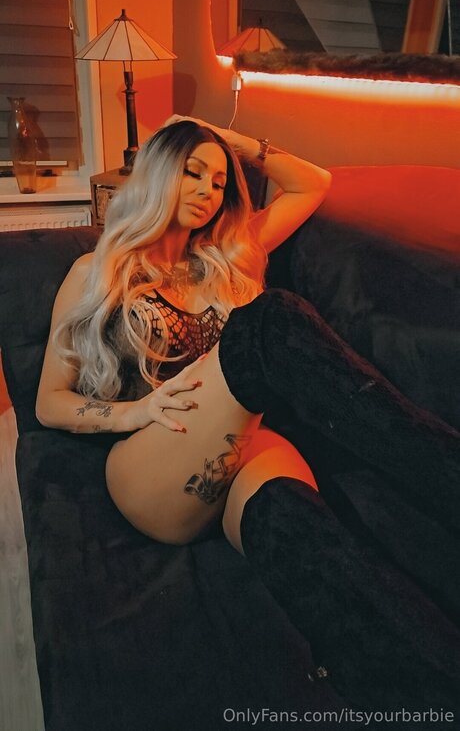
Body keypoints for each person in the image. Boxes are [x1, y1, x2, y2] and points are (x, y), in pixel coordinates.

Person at [36, 116, 460, 712]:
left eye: (219, 182)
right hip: (154, 460)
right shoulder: (98, 271)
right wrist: (131, 413)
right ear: (158, 173)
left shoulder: (230, 256)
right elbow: (49, 401)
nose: (209, 191)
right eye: (192, 172)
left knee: (300, 528)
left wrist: (229, 140)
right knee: (270, 320)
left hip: (244, 448)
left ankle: (425, 693)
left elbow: (312, 183)